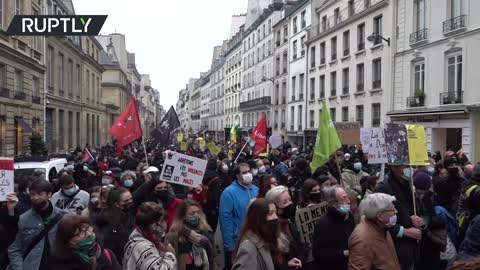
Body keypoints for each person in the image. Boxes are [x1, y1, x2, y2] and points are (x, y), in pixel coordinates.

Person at [8, 180, 66, 270]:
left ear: (49, 195)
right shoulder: (23, 219)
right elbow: (14, 249)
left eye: (39, 194)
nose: (35, 197)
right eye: (32, 194)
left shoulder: (63, 217)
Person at [377, 165, 423, 270]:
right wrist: (404, 231)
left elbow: (422, 210)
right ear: (394, 167)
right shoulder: (384, 187)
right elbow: (379, 220)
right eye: (406, 166)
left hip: (412, 249)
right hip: (395, 250)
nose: (410, 169)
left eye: (412, 166)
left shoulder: (410, 184)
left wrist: (421, 221)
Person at [219, 163, 259, 270]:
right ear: (237, 175)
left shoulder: (256, 190)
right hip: (238, 241)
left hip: (257, 238)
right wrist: (229, 245)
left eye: (249, 171)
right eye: (244, 172)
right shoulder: (229, 193)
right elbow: (225, 219)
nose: (248, 174)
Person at [348, 193, 401, 270]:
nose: (396, 211)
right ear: (379, 216)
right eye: (392, 210)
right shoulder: (362, 239)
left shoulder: (383, 227)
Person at [50, 214, 121, 270]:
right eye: (80, 233)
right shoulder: (61, 263)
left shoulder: (108, 254)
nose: (89, 234)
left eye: (87, 228)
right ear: (69, 241)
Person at [123, 202, 177, 270]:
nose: (164, 225)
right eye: (162, 221)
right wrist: (170, 254)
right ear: (154, 225)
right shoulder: (143, 246)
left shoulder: (140, 239)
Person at [232, 198, 281, 270]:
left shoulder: (265, 239)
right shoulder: (249, 247)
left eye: (275, 213)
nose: (276, 217)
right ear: (258, 218)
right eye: (270, 213)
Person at [313, 186, 355, 270]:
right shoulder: (323, 224)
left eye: (347, 197)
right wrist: (343, 253)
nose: (348, 201)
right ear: (333, 204)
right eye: (344, 199)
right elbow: (319, 254)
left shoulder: (348, 215)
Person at [413, 172, 448, 270]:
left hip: (420, 243)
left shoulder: (413, 198)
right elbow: (438, 220)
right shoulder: (430, 198)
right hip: (432, 240)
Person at [166, 199, 214, 270]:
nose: (196, 215)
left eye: (198, 212)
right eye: (192, 213)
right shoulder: (174, 235)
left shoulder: (206, 230)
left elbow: (214, 257)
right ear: (183, 216)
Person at [95, 186, 135, 262]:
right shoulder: (109, 223)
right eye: (126, 201)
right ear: (116, 204)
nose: (130, 202)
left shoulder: (127, 215)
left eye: (131, 199)